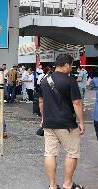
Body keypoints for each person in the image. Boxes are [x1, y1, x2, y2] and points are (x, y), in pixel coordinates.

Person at [39, 54, 85, 189]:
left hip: (48, 123)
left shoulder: (44, 80)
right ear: (66, 65)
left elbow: (41, 102)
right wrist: (81, 122)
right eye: (71, 65)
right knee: (72, 153)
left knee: (50, 153)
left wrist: (43, 118)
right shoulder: (70, 81)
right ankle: (68, 184)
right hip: (66, 124)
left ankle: (52, 185)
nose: (71, 68)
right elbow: (76, 103)